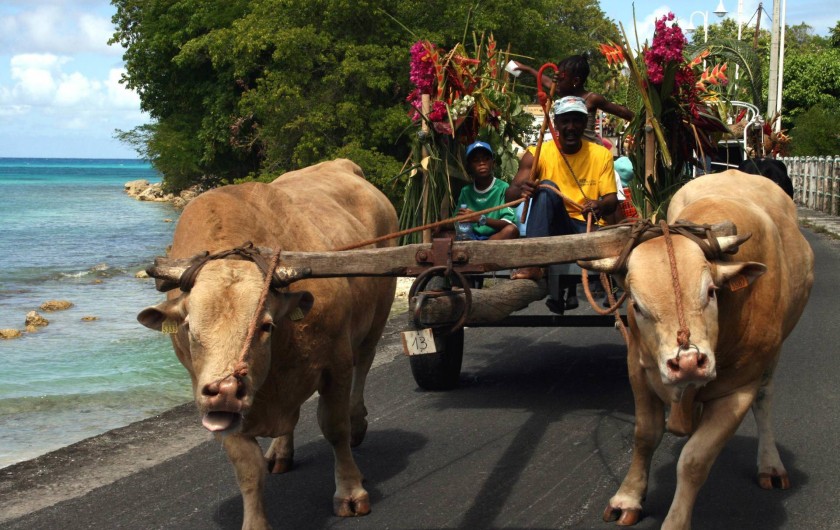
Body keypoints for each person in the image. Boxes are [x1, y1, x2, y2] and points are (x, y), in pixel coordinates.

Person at [505, 96, 618, 312]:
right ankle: (533, 262)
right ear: (556, 124)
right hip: (552, 228)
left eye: (577, 121)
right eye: (565, 121)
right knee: (547, 188)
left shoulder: (601, 155)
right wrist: (523, 190)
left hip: (585, 227)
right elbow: (509, 197)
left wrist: (599, 205)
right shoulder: (538, 153)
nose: (571, 127)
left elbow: (611, 200)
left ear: (586, 124)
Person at [514, 55, 634, 146]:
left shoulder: (591, 99)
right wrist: (527, 69)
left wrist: (642, 120)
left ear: (575, 81)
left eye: (560, 79)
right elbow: (546, 81)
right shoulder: (563, 93)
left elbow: (621, 112)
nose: (556, 83)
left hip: (590, 152)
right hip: (571, 149)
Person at [454, 140, 520, 241]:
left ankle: (482, 249)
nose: (482, 163)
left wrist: (480, 218)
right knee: (445, 235)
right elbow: (458, 220)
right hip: (471, 237)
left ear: (493, 164)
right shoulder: (466, 191)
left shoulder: (503, 187)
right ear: (469, 167)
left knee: (511, 230)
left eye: (486, 159)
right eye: (476, 160)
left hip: (495, 237)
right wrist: (441, 226)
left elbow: (508, 222)